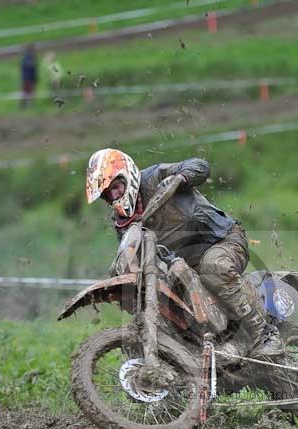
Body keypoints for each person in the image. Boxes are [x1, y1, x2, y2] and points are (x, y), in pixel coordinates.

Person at [85, 148, 284, 358]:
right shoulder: (123, 222)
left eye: (115, 187)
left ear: (127, 175)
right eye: (107, 194)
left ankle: (266, 335)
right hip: (183, 264)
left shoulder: (155, 176)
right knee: (166, 301)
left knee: (213, 267)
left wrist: (181, 177)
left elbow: (200, 165)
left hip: (223, 240)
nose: (114, 195)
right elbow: (131, 255)